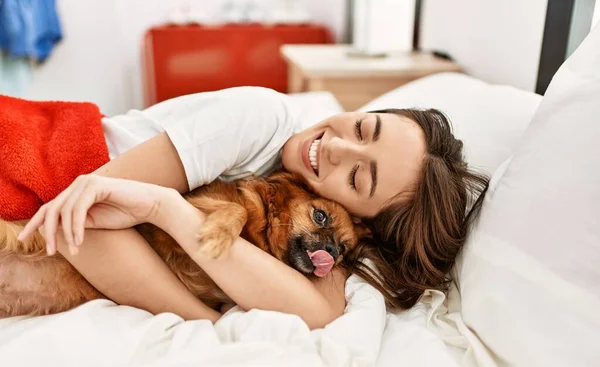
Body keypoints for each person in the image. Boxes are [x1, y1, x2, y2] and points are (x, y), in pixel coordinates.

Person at [18, 87, 488, 329]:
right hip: (44, 149)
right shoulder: (263, 119)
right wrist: (208, 324)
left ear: (361, 219)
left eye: (357, 178)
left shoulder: (333, 231)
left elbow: (318, 313)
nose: (337, 147)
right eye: (364, 127)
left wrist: (166, 209)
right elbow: (80, 218)